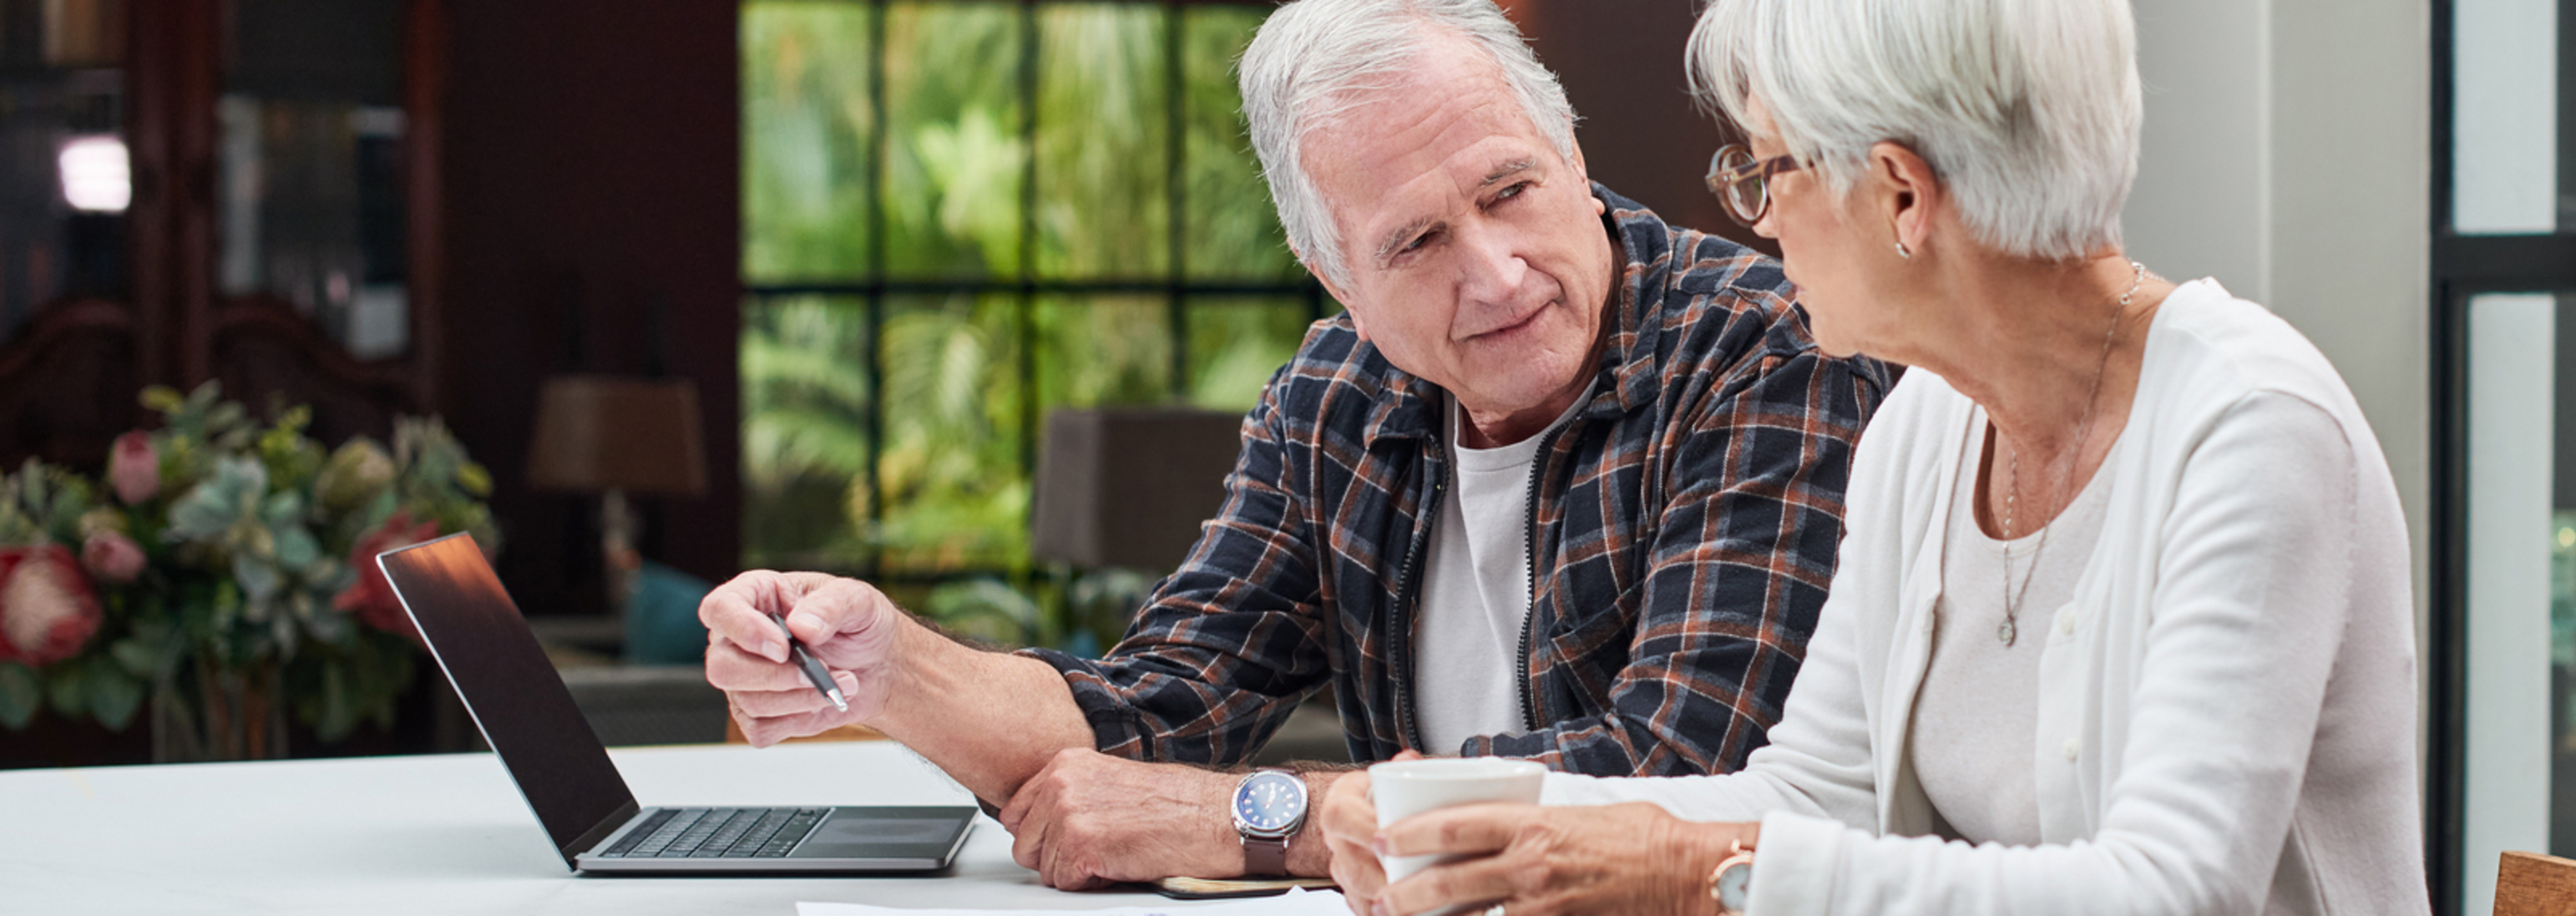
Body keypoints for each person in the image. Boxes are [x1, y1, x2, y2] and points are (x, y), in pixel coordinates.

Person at [697, 0, 1890, 892]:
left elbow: (1675, 776)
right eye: (1416, 241)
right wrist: (891, 665)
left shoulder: (1769, 351)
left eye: (1512, 189)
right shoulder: (1338, 393)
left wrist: (1252, 821)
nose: (1494, 271)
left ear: (1573, 158)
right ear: (1339, 281)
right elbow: (1150, 715)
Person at [1315, 0, 2423, 913]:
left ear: (1901, 193)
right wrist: (1498, 821)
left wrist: (1703, 873)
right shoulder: (1927, 425)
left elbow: (2173, 891)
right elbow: (1820, 787)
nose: (1755, 222)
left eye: (1766, 172)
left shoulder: (2252, 427)